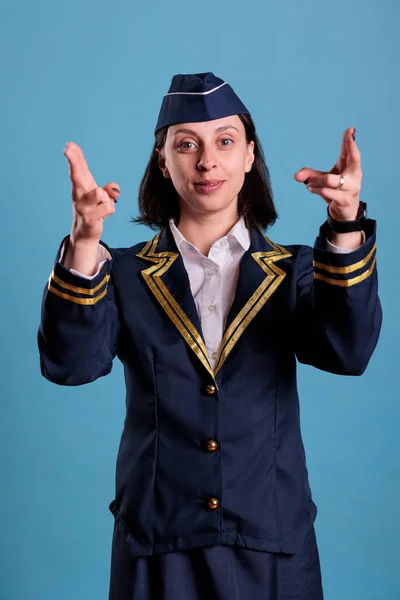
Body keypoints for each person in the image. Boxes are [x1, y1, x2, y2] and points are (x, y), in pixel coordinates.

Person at [38, 72, 382, 600]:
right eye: (186, 145)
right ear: (162, 160)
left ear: (248, 156)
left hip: (273, 544)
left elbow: (348, 351)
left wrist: (345, 222)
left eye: (224, 141)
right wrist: (85, 242)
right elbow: (71, 365)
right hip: (156, 544)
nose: (207, 161)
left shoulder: (295, 271)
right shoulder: (123, 272)